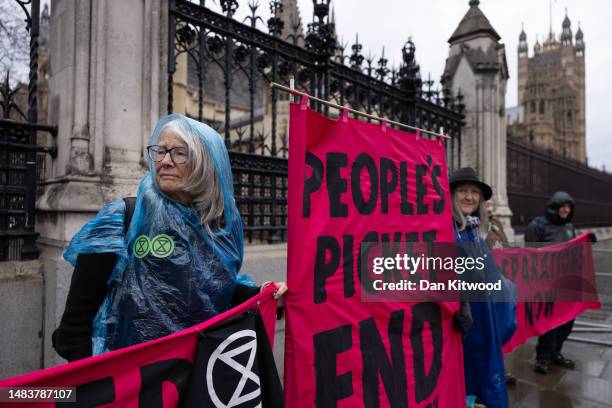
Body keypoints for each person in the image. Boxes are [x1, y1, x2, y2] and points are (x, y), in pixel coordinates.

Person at [53, 113, 287, 360]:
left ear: (205, 162)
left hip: (192, 379)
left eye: (179, 153)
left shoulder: (216, 227)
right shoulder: (124, 219)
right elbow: (74, 330)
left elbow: (215, 290)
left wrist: (265, 295)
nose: (164, 161)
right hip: (132, 381)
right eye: (160, 151)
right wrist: (102, 385)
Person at [450, 167, 517, 408]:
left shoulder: (474, 231)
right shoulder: (447, 230)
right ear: (451, 195)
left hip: (485, 319)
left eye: (475, 192)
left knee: (487, 377)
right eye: (462, 191)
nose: (469, 197)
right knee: (468, 378)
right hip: (463, 325)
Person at [524, 191, 577, 374]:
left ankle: (555, 352)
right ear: (554, 207)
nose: (566, 210)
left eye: (569, 207)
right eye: (563, 206)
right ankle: (543, 358)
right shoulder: (537, 226)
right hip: (546, 284)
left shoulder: (569, 227)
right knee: (550, 323)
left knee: (567, 322)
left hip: (567, 283)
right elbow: (529, 256)